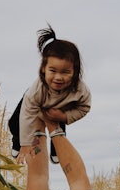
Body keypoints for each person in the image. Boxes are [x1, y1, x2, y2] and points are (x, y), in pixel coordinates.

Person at [8, 24, 91, 164]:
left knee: (58, 125)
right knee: (14, 124)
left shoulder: (80, 90)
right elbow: (27, 115)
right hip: (37, 102)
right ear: (43, 69)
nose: (58, 77)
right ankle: (16, 141)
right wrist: (25, 144)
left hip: (61, 106)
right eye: (53, 71)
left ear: (75, 72)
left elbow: (84, 108)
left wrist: (65, 116)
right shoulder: (36, 90)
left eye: (65, 72)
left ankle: (56, 149)